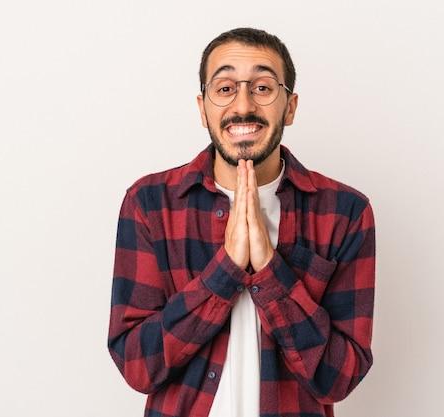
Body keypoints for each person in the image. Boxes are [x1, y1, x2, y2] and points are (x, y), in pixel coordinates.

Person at [108, 27, 376, 417]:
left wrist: (270, 271)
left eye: (264, 87)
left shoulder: (346, 212)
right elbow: (137, 365)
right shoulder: (149, 204)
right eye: (225, 88)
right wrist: (225, 272)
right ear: (203, 108)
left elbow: (341, 376)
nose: (244, 105)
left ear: (290, 106)